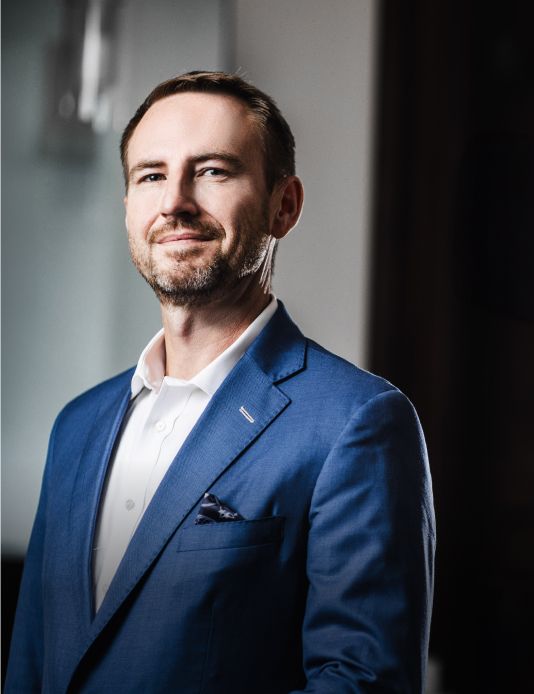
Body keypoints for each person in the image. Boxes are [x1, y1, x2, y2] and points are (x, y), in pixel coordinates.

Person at [6, 71, 435, 693]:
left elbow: (361, 684)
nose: (175, 200)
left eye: (212, 171)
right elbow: (29, 667)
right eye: (151, 175)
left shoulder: (358, 424)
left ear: (283, 205)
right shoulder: (76, 426)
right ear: (128, 205)